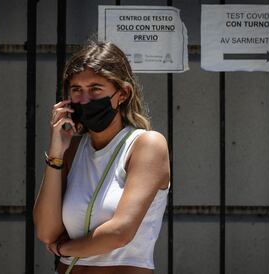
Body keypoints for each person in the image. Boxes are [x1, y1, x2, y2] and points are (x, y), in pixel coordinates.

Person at [33, 41, 170, 274]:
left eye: (96, 88)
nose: (85, 99)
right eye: (76, 90)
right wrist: (56, 154)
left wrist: (61, 249)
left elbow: (119, 233)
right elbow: (46, 232)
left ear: (122, 94)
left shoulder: (146, 145)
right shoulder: (73, 150)